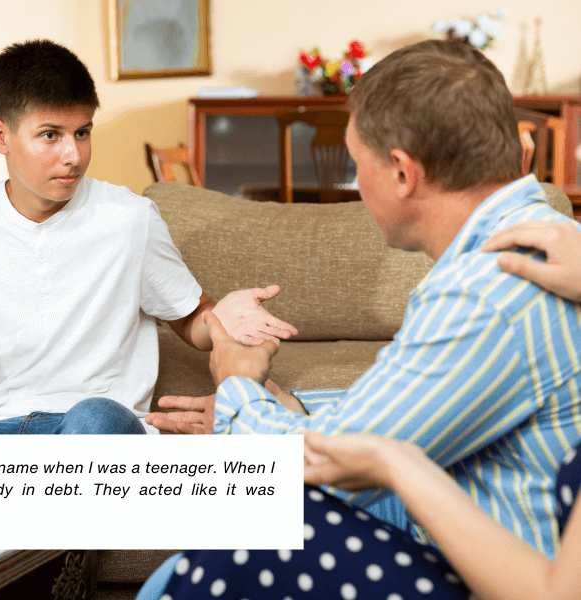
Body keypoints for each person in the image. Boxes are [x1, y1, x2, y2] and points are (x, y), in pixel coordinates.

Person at [146, 39, 581, 557]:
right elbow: (408, 416)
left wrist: (239, 382)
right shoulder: (547, 240)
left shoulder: (484, 289)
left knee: (213, 540)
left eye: (358, 164)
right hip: (462, 500)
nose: (355, 186)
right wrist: (284, 406)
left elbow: (333, 467)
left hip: (492, 561)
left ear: (401, 172)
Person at [0, 39, 295, 436]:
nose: (73, 155)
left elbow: (190, 320)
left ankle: (18, 527)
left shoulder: (129, 217)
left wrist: (221, 318)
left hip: (93, 427)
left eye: (83, 133)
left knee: (95, 418)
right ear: (0, 135)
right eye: (50, 135)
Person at [137, 221, 581, 600]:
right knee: (169, 545)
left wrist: (241, 392)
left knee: (239, 529)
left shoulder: (492, 297)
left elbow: (555, 591)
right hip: (427, 514)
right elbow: (400, 409)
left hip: (444, 537)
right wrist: (287, 405)